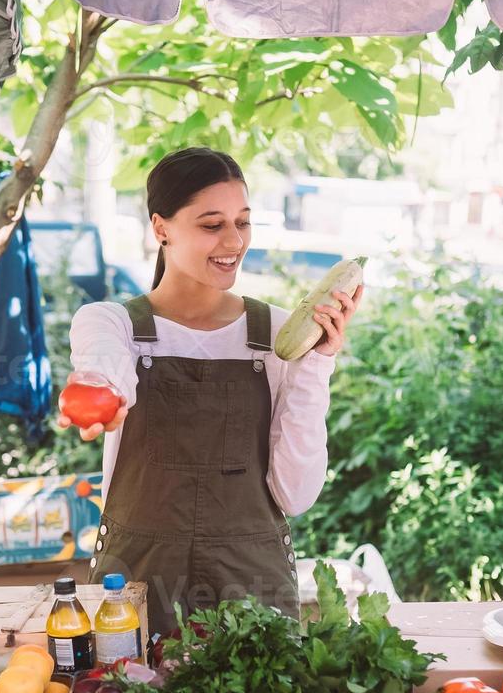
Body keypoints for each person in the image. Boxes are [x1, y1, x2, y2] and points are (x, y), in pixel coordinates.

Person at [60, 147, 363, 643]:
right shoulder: (111, 323)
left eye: (243, 222)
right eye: (211, 224)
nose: (234, 241)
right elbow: (105, 367)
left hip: (253, 584)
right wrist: (99, 392)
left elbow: (296, 494)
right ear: (161, 228)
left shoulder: (280, 336)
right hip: (136, 583)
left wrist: (317, 364)